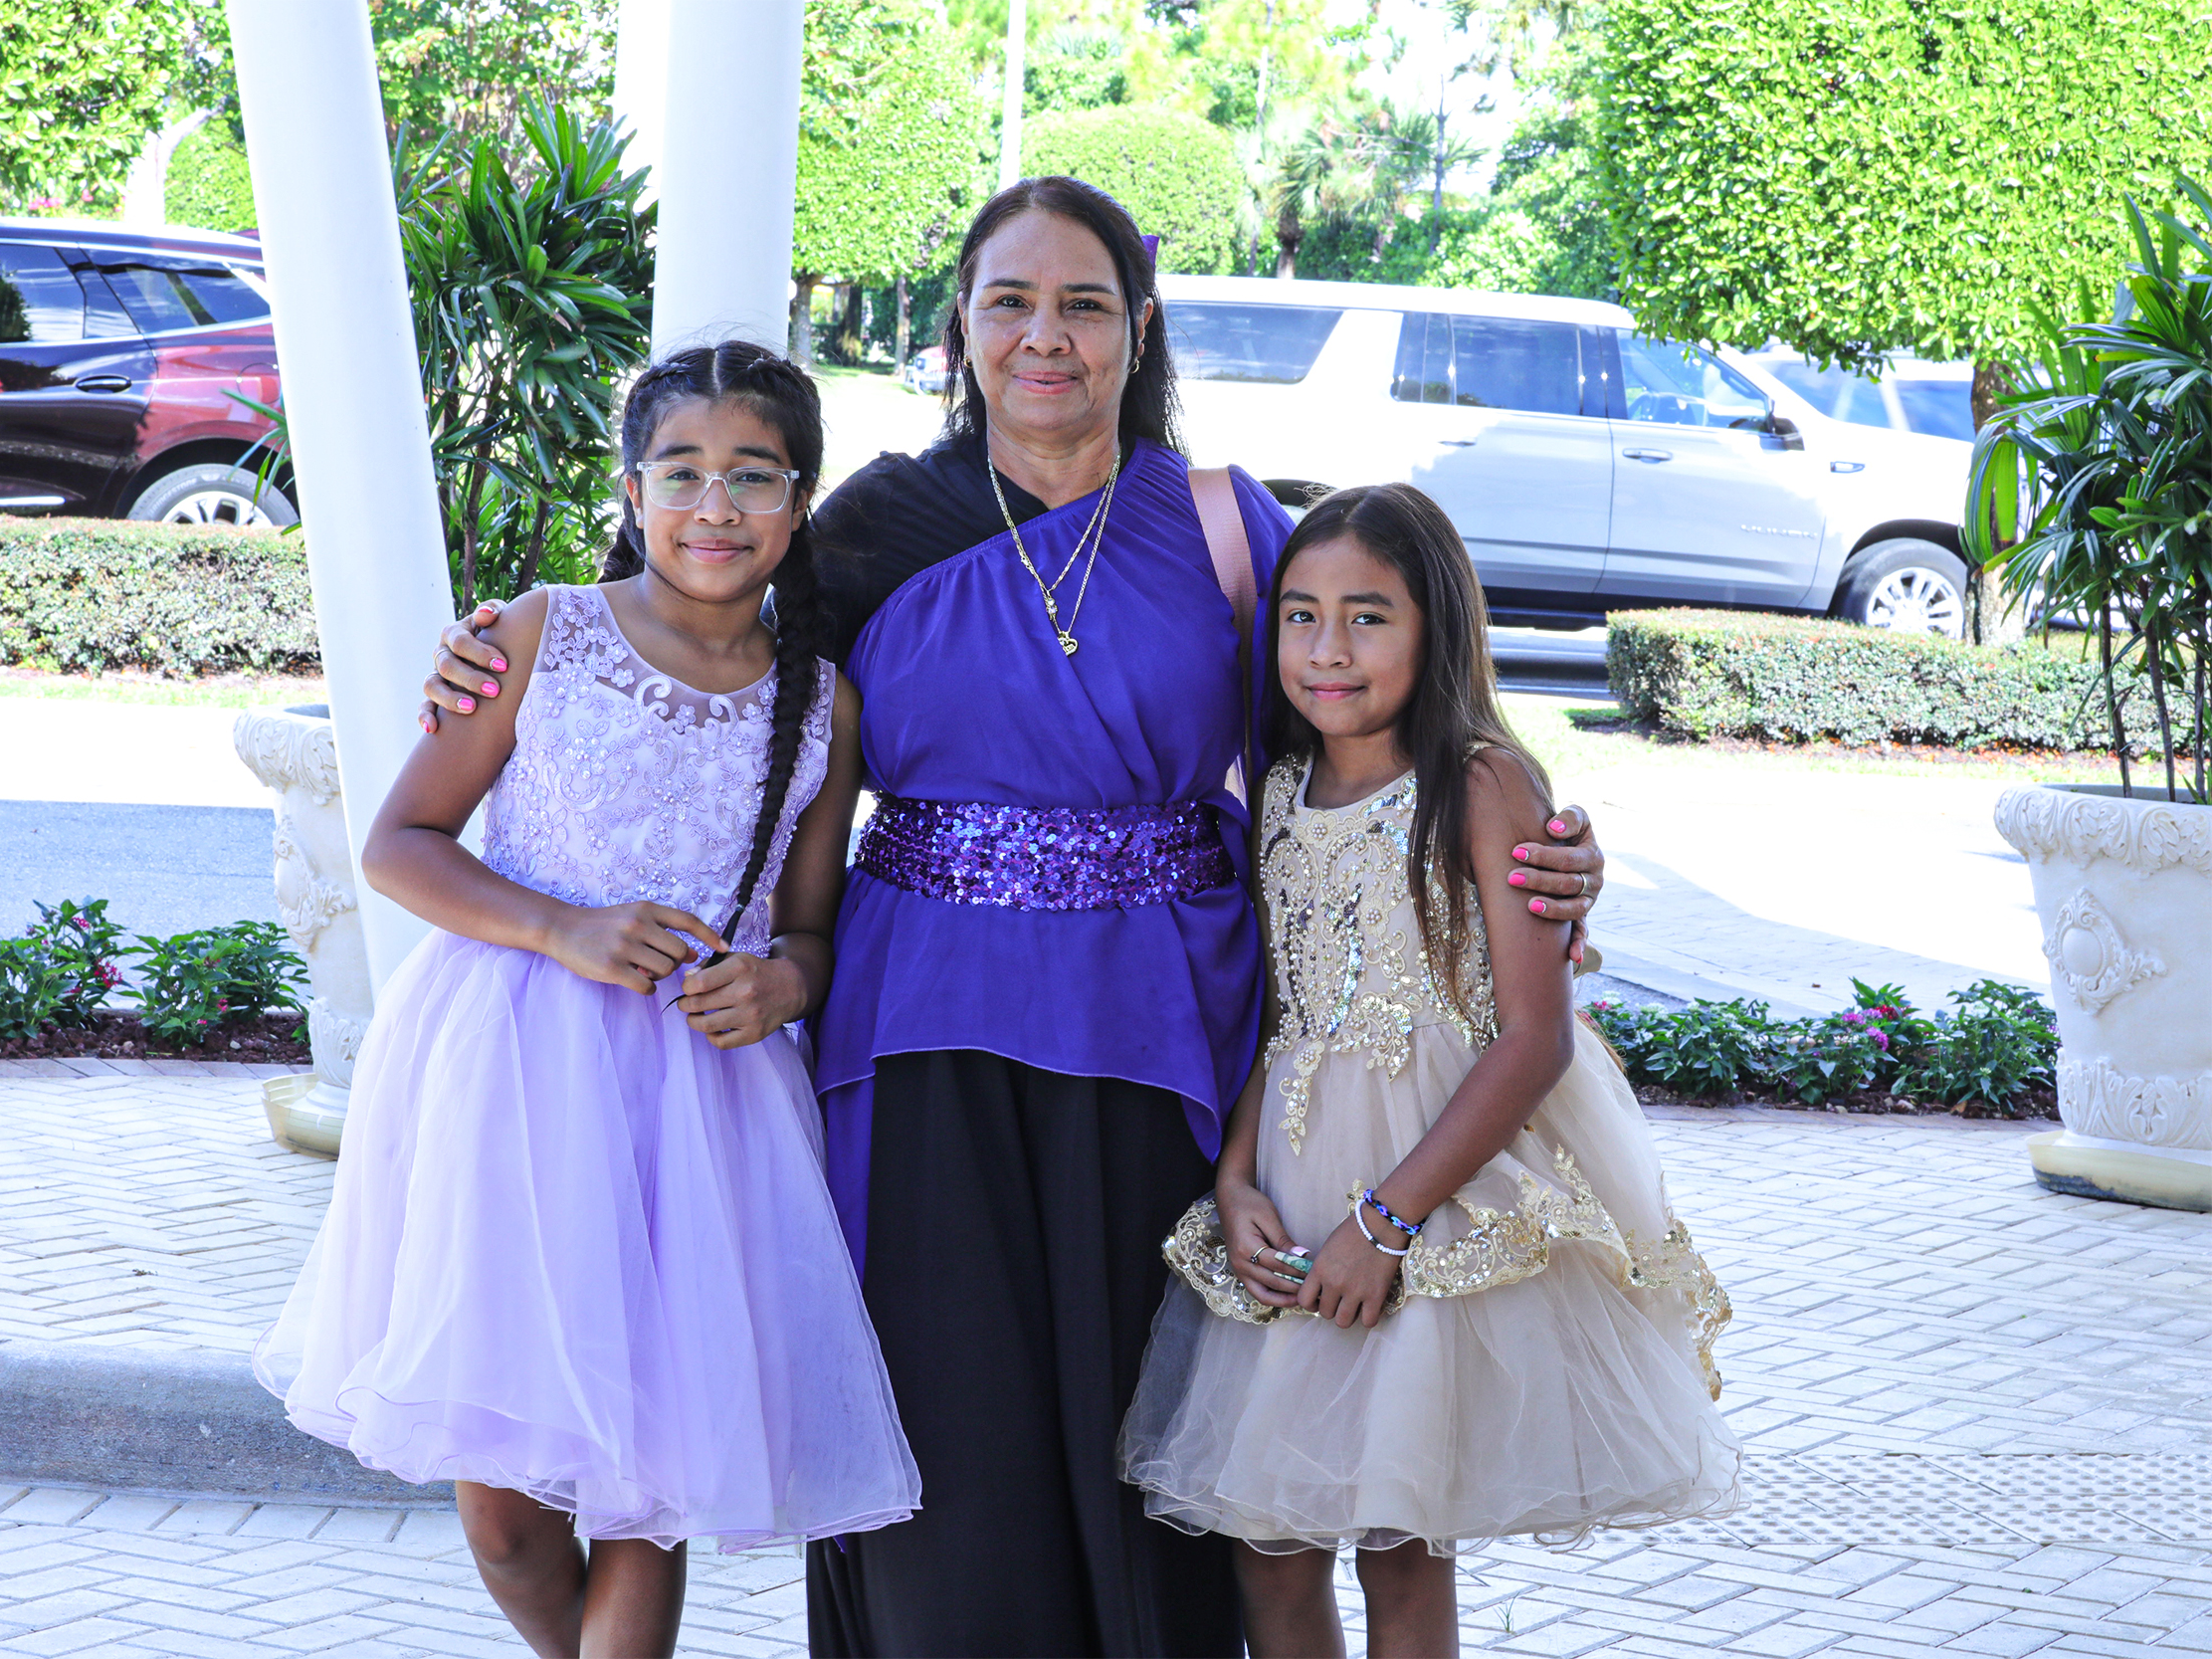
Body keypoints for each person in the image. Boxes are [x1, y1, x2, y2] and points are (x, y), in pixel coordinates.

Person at [420, 177, 1608, 1658]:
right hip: (917, 1029)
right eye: (1010, 302)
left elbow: (1366, 733)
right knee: (951, 1441)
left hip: (1169, 1025)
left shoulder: (1227, 526)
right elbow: (704, 647)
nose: (1046, 336)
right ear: (960, 329)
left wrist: (1533, 850)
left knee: (1153, 1440)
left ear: (1138, 328)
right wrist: (503, 651)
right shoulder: (870, 528)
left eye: (1083, 304)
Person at [259, 341, 918, 1659]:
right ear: (631, 490)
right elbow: (400, 844)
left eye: (754, 475)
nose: (716, 505)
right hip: (514, 1080)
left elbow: (809, 927)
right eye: (681, 472)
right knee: (505, 1516)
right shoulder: (535, 635)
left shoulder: (822, 704)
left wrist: (781, 980)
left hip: (701, 1107)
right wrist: (564, 927)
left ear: (800, 501)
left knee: (645, 1490)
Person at [1121, 484, 1739, 1658]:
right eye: (1300, 616)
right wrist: (1236, 1181)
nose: (1327, 649)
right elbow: (1282, 1015)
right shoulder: (1277, 787)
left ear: (1436, 624)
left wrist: (1387, 1220)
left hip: (1424, 1190)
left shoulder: (1481, 781)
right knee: (1269, 1546)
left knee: (1399, 1542)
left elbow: (1535, 1035)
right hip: (1294, 1188)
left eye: (1368, 616)